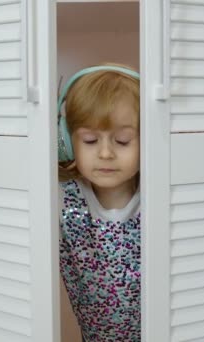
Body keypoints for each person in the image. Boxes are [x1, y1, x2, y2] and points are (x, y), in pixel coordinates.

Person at [57, 63, 141, 342]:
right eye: (91, 140)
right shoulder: (61, 198)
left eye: (122, 140)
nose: (105, 153)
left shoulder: (162, 197)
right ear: (67, 143)